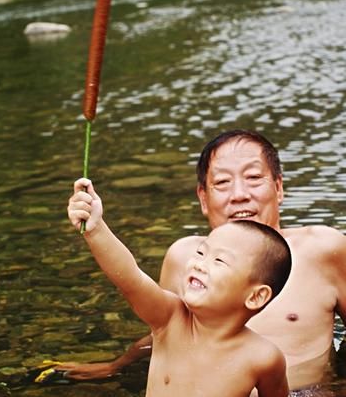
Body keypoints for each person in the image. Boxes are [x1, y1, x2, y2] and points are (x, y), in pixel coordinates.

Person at [58, 129, 346, 394]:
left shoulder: (324, 249)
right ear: (203, 198)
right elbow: (157, 318)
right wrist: (117, 367)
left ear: (279, 187)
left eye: (254, 178)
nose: (239, 195)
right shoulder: (185, 256)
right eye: (222, 182)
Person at [68, 177, 292, 397]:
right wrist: (96, 230)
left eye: (219, 261)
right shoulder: (169, 319)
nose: (200, 264)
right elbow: (130, 279)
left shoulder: (263, 358)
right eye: (201, 253)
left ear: (256, 296)